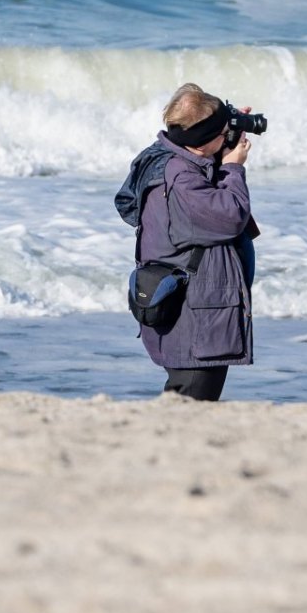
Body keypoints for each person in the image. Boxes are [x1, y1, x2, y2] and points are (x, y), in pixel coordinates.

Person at [115, 83, 259, 400]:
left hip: (181, 302)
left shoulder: (162, 157)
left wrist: (221, 148)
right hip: (195, 316)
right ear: (202, 139)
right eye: (221, 132)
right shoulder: (182, 179)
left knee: (185, 395)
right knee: (192, 397)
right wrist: (234, 168)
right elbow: (231, 215)